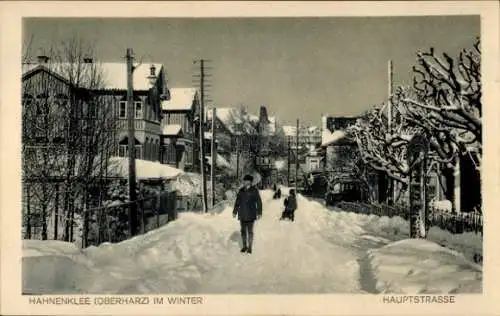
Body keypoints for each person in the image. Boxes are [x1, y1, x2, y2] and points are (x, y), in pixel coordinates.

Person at [233, 174, 263, 254]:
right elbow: (237, 201)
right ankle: (244, 246)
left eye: (248, 181)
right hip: (242, 213)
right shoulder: (241, 190)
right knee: (243, 231)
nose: (246, 182)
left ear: (250, 182)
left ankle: (249, 247)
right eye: (245, 181)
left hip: (251, 213)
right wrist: (234, 211)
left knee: (250, 231)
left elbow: (259, 202)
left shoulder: (254, 190)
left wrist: (259, 212)